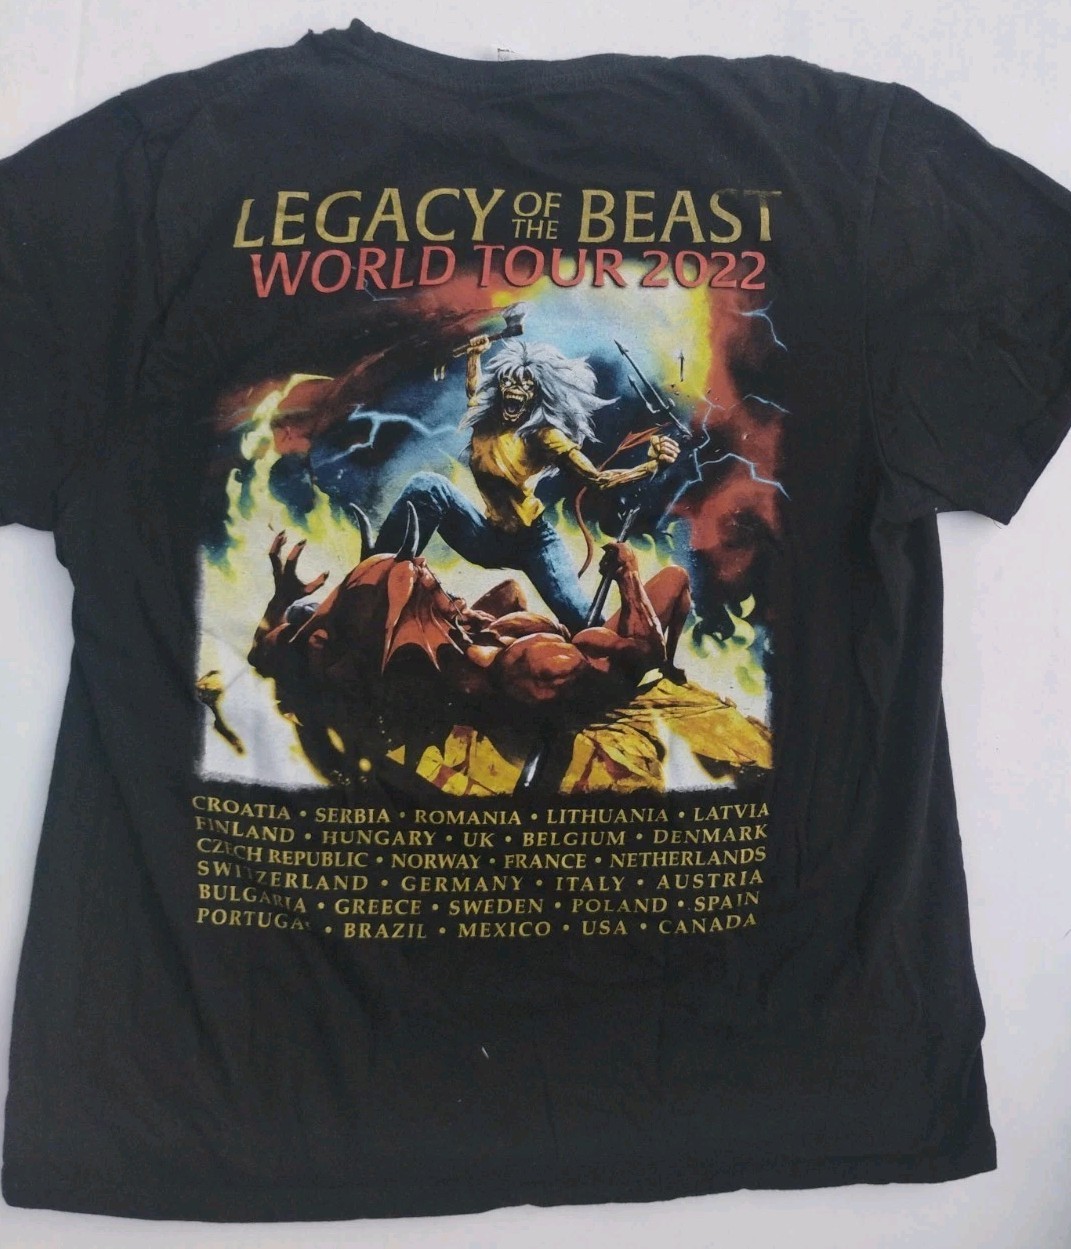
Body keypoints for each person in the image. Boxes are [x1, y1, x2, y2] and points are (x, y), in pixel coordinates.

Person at [371, 335, 680, 630]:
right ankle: (373, 574)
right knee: (427, 485)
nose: (514, 388)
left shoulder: (544, 435)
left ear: (537, 392)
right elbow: (473, 388)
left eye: (525, 383)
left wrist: (650, 466)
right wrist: (474, 356)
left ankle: (633, 639)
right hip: (487, 537)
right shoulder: (484, 419)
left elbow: (596, 479)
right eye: (508, 381)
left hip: (534, 543)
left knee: (584, 622)